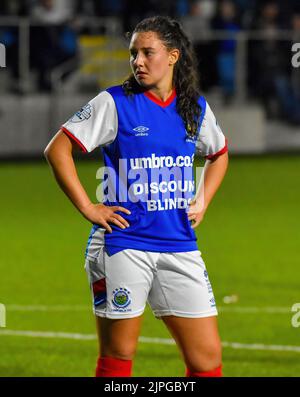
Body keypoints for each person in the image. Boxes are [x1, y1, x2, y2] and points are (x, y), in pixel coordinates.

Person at [44, 15, 228, 377]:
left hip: (179, 244)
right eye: (133, 54)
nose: (138, 61)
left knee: (207, 359)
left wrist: (203, 198)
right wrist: (88, 206)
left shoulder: (195, 108)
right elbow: (57, 149)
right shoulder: (114, 102)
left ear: (173, 56)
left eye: (148, 52)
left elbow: (219, 154)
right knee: (118, 356)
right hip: (122, 244)